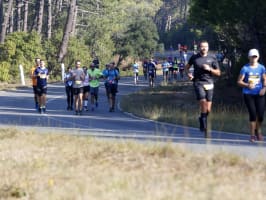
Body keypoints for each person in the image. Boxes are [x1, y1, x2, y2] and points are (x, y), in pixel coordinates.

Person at [185, 40, 221, 138]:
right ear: (199, 47)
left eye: (205, 46)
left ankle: (202, 118)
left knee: (208, 109)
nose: (204, 48)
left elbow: (218, 73)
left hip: (209, 83)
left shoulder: (212, 58)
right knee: (203, 103)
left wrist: (210, 69)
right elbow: (186, 68)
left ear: (208, 48)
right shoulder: (194, 57)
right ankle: (205, 127)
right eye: (202, 46)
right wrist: (189, 74)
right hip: (198, 83)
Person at [237, 49, 266, 142]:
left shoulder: (262, 68)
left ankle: (258, 131)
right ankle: (252, 135)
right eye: (252, 56)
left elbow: (264, 79)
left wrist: (264, 88)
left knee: (260, 115)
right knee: (253, 114)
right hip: (248, 94)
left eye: (255, 56)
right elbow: (239, 81)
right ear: (249, 57)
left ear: (258, 57)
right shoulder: (245, 68)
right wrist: (247, 85)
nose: (254, 58)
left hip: (260, 94)